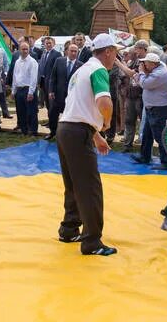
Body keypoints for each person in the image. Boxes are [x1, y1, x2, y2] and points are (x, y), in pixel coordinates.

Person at [56, 33, 120, 256]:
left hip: (65, 129)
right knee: (90, 187)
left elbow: (78, 108)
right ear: (108, 52)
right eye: (115, 53)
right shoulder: (98, 70)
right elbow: (104, 101)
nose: (116, 58)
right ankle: (92, 241)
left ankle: (69, 228)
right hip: (77, 131)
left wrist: (96, 135)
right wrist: (107, 122)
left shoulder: (81, 70)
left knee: (73, 184)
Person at [124, 53, 167, 170]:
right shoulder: (157, 69)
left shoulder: (160, 74)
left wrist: (141, 72)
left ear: (152, 63)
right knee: (147, 134)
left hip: (159, 109)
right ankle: (145, 156)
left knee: (160, 136)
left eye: (145, 63)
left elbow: (144, 84)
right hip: (153, 107)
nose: (143, 65)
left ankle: (166, 162)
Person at [47, 44, 82, 140]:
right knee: (53, 114)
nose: (73, 53)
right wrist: (51, 91)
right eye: (72, 51)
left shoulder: (81, 65)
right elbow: (53, 77)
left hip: (71, 97)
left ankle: (68, 135)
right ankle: (52, 132)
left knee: (70, 117)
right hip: (57, 94)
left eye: (76, 51)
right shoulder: (59, 61)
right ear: (67, 51)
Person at [11, 41, 39, 136]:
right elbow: (15, 77)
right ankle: (24, 130)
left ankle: (33, 130)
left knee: (31, 111)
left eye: (27, 49)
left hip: (28, 89)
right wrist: (13, 91)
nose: (25, 51)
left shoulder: (32, 62)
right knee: (21, 111)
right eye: (23, 49)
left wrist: (31, 92)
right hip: (19, 89)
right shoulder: (17, 62)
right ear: (19, 50)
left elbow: (33, 78)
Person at [37, 37, 61, 112]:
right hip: (43, 81)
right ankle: (49, 120)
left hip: (51, 82)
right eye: (46, 43)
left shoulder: (57, 54)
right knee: (46, 101)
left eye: (50, 43)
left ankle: (53, 121)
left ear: (53, 44)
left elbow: (58, 69)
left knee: (52, 102)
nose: (48, 45)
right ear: (44, 44)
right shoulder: (44, 54)